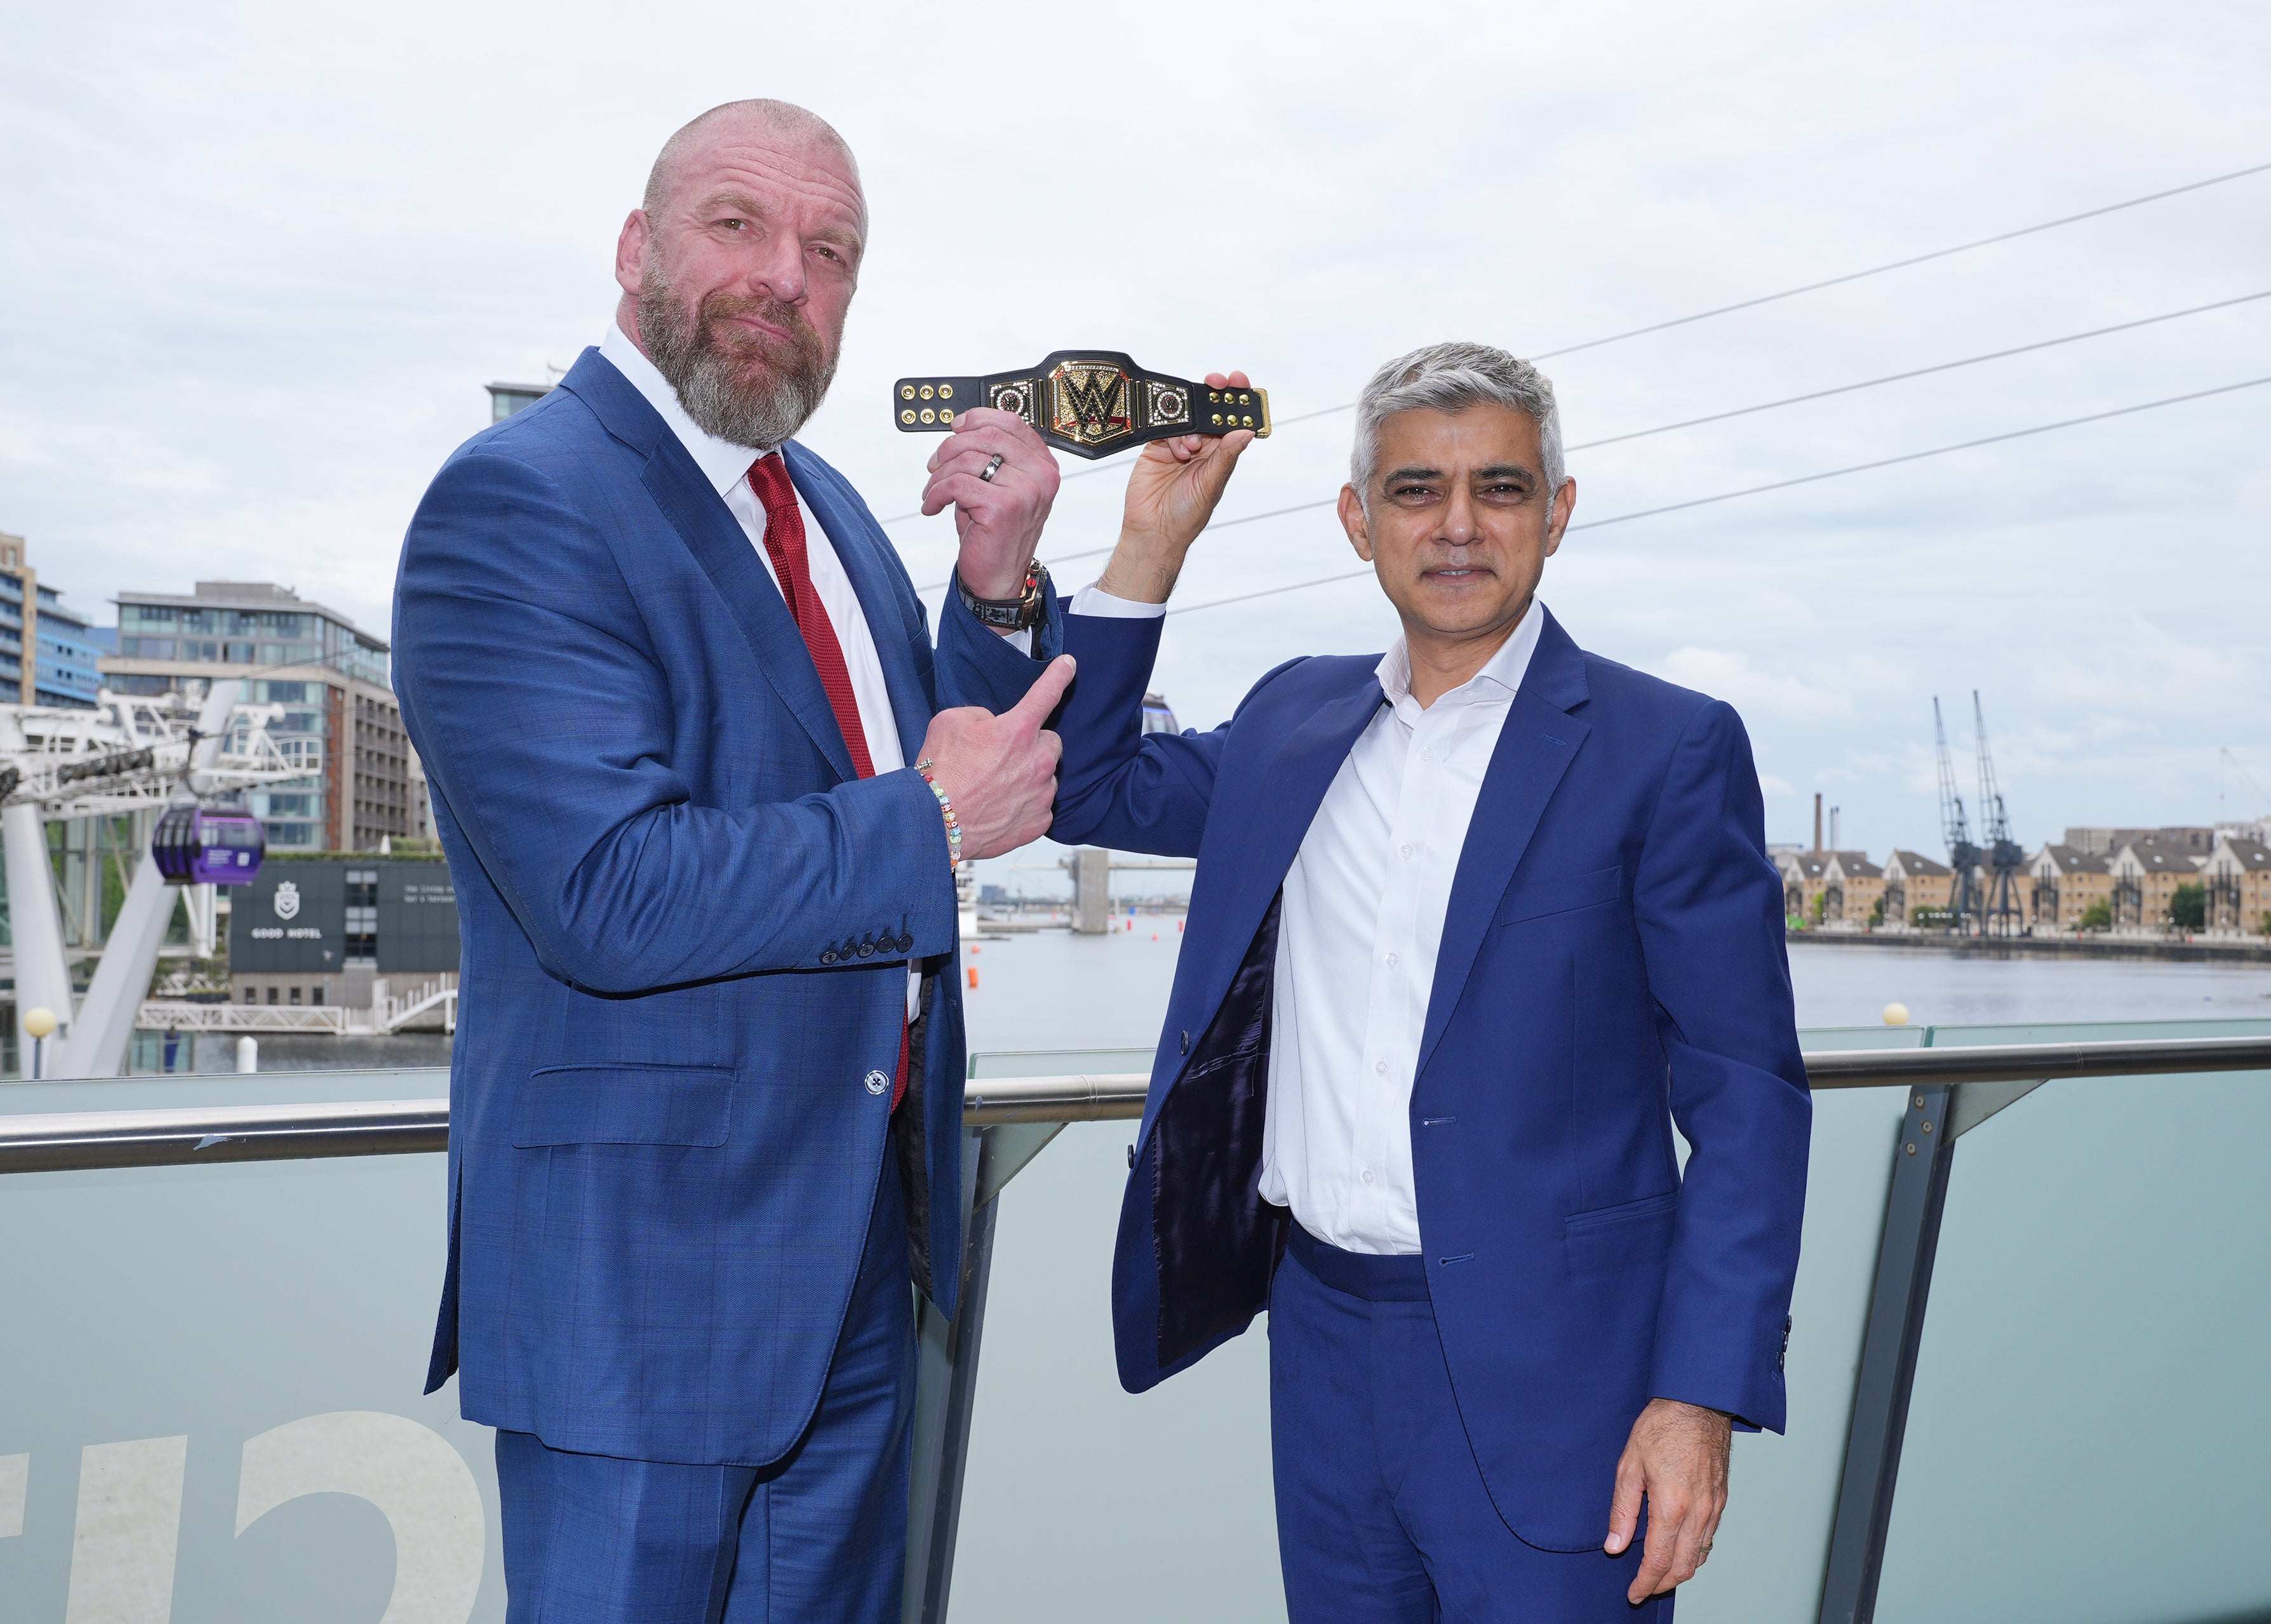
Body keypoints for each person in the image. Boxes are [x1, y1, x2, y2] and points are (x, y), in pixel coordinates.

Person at [393, 99, 1078, 1623]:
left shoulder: (825, 506)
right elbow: (607, 891)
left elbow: (931, 761)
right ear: (638, 250)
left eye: (827, 251)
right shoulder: (518, 499)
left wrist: (1000, 587)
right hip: (636, 1296)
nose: (784, 275)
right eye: (737, 227)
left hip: (849, 1259)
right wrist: (927, 821)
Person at [1050, 343, 1812, 1620]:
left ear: (1557, 513)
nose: (1458, 525)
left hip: (1566, 1382)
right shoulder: (1295, 719)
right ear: (1358, 521)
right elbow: (1091, 784)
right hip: (1322, 1343)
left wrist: (1698, 1396)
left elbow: (1748, 1100)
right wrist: (1152, 549)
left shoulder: (1666, 749)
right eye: (1414, 491)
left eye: (1501, 488)